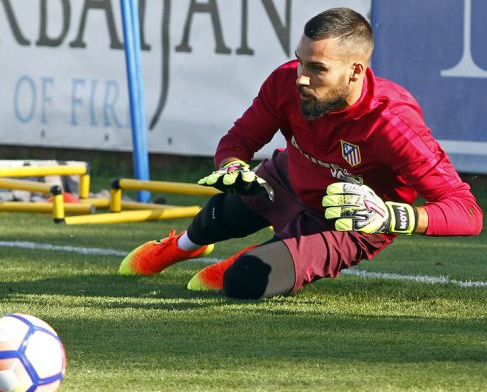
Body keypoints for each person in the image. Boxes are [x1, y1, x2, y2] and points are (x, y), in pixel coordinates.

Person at [118, 7, 483, 299]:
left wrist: (392, 216)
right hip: (290, 176)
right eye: (301, 61)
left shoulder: (393, 123)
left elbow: (467, 212)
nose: (301, 77)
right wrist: (232, 168)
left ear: (355, 71)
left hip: (347, 220)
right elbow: (237, 141)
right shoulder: (285, 81)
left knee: (242, 283)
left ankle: (253, 258)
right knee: (221, 211)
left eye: (317, 68)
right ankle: (183, 246)